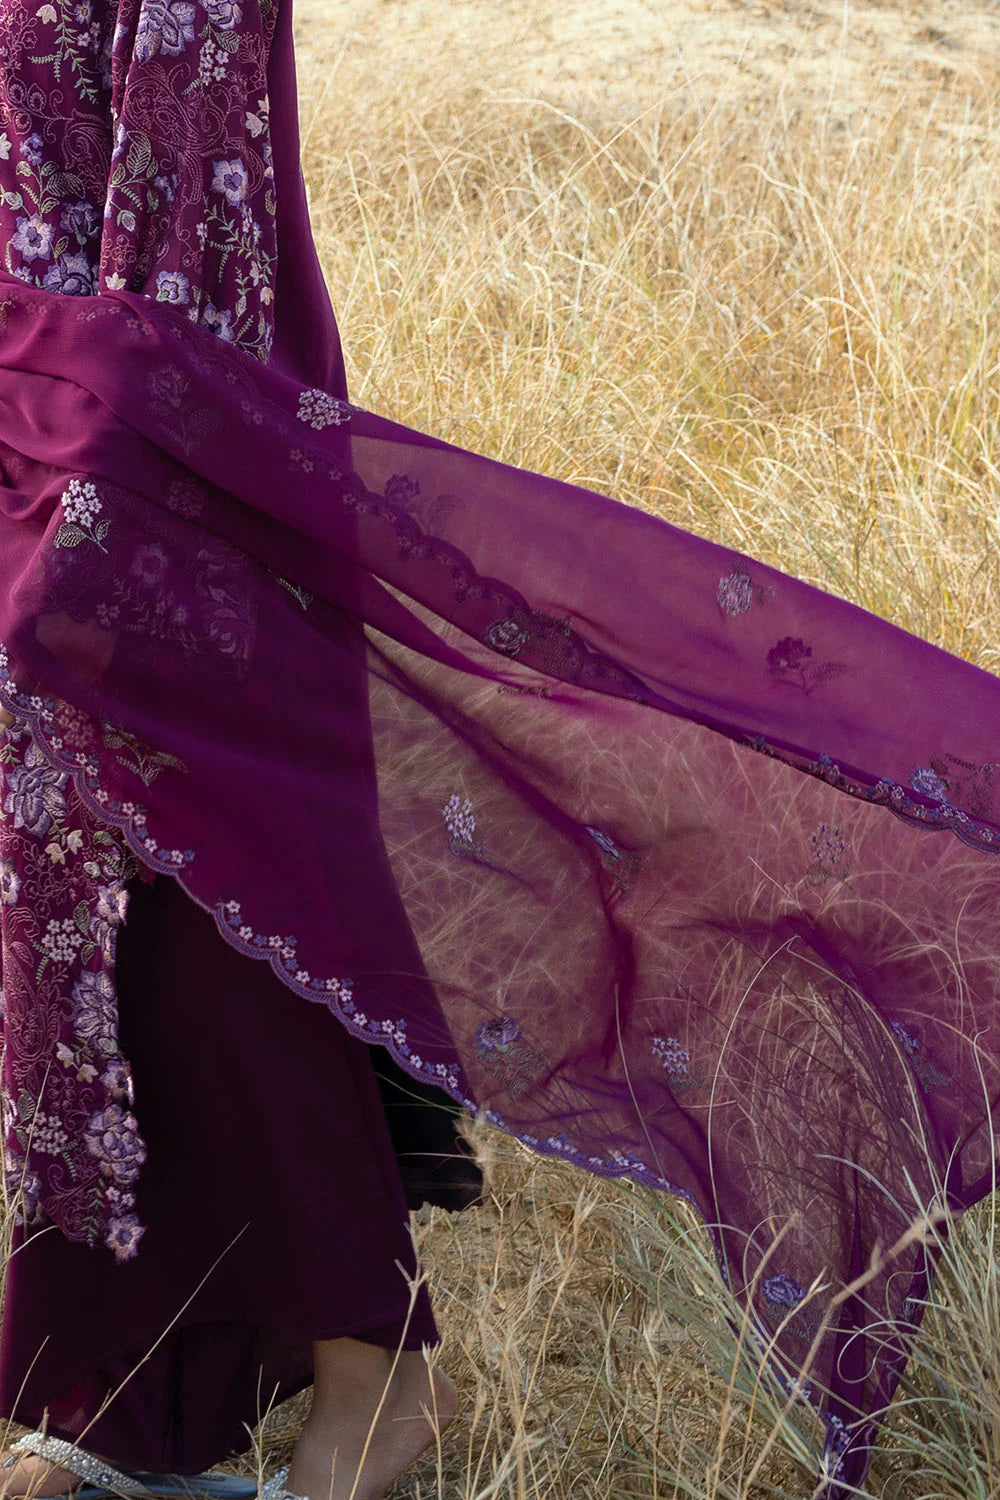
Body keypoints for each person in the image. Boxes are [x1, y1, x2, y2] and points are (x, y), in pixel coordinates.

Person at [0, 1, 999, 1498]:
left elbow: (187, 204)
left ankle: (373, 1383)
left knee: (212, 876)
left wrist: (103, 482)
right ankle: (136, 1407)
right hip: (36, 423)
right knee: (98, 920)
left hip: (120, 433)